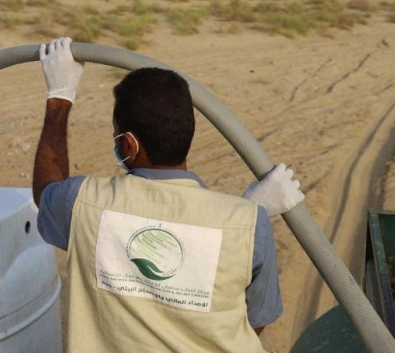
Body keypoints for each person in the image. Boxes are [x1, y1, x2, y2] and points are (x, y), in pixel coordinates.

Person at [33, 37, 305, 352]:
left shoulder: (81, 202)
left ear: (129, 144)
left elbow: (45, 190)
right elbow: (252, 322)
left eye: (116, 133)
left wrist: (60, 97)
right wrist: (247, 216)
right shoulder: (249, 224)